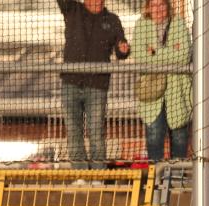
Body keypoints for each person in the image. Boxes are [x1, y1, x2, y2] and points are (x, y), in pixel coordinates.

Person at [58, 0, 130, 173]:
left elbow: (121, 50)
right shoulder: (73, 10)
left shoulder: (112, 20)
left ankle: (99, 174)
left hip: (97, 85)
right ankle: (80, 174)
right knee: (74, 131)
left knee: (96, 132)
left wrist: (124, 49)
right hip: (71, 82)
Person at [132, 0, 192, 160]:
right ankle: (156, 180)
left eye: (161, 5)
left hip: (177, 93)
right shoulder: (141, 25)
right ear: (148, 8)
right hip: (151, 95)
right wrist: (171, 52)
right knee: (154, 138)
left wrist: (154, 52)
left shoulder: (179, 24)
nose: (158, 9)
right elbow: (139, 56)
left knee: (180, 139)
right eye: (154, 5)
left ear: (167, 6)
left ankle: (177, 179)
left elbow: (184, 56)